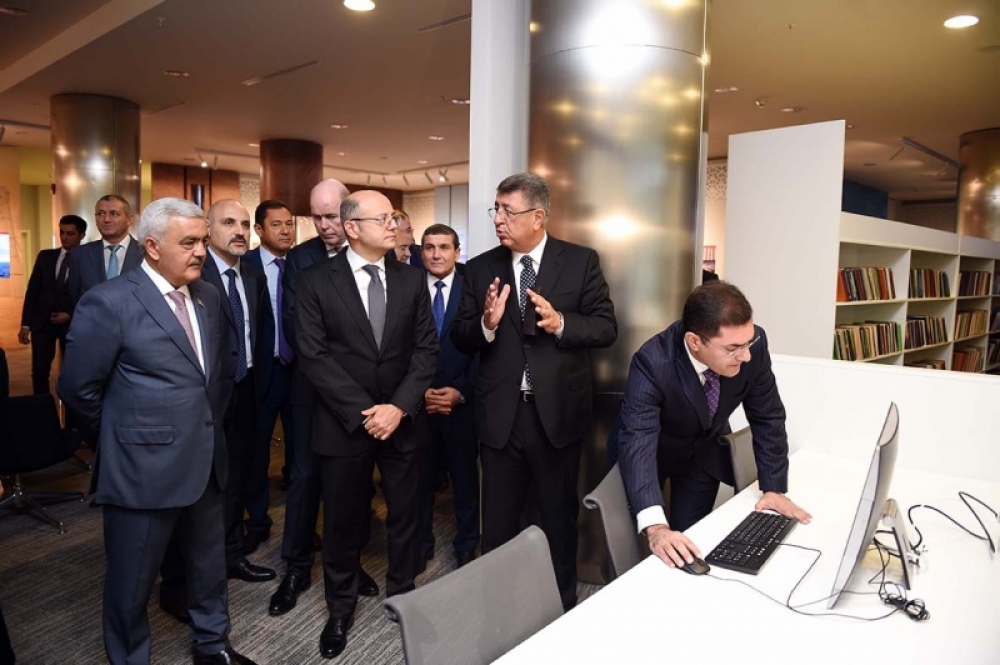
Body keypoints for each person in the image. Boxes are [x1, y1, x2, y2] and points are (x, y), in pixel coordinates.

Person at [58, 197, 257, 665]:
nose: (201, 252)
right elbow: (77, 390)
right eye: (188, 243)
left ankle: (213, 645)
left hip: (206, 461)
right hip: (140, 471)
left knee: (209, 568)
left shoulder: (208, 296)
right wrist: (125, 440)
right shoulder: (109, 301)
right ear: (151, 246)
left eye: (202, 241)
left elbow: (216, 374)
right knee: (132, 583)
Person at [451, 172, 617, 611]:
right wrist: (486, 324)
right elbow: (460, 335)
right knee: (498, 521)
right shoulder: (481, 267)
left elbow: (605, 327)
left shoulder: (580, 261)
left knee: (557, 517)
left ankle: (560, 604)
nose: (498, 219)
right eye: (496, 210)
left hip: (557, 415)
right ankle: (499, 611)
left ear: (538, 216)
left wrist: (561, 323)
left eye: (508, 211)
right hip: (500, 417)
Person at [295, 190, 437, 659]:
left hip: (402, 419)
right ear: (352, 227)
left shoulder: (412, 279)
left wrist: (397, 407)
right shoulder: (315, 281)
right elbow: (313, 356)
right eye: (383, 219)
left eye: (394, 218)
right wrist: (367, 412)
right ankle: (340, 608)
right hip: (344, 423)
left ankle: (403, 595)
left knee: (406, 514)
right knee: (342, 518)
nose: (393, 225)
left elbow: (425, 351)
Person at [617, 281, 811, 570]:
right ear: (695, 342)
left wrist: (774, 489)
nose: (745, 356)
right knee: (654, 547)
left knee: (692, 545)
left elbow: (768, 416)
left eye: (747, 343)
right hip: (652, 455)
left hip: (703, 454)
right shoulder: (653, 362)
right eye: (733, 349)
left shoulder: (753, 345)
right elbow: (639, 439)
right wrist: (656, 527)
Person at [275, 179, 379, 618]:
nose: (323, 225)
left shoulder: (376, 256)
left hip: (363, 394)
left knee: (355, 484)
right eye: (316, 217)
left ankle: (350, 565)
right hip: (311, 390)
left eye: (331, 215)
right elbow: (299, 328)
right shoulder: (301, 259)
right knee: (304, 478)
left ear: (350, 215)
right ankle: (296, 568)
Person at [201, 199, 275, 583]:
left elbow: (259, 336)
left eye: (245, 224)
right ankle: (202, 565)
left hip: (245, 390)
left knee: (238, 478)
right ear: (208, 228)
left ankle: (231, 555)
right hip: (208, 397)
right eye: (229, 223)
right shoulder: (195, 275)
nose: (240, 231)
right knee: (207, 484)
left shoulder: (252, 276)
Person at [418, 224, 479, 570]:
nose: (437, 254)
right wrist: (418, 392)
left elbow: (486, 347)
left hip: (461, 402)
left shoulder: (474, 287)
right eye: (429, 247)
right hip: (419, 403)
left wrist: (461, 391)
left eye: (444, 247)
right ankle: (421, 543)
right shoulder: (408, 286)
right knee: (419, 481)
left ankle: (467, 544)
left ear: (457, 252)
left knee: (465, 479)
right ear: (421, 252)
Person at [242, 199, 296, 554]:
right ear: (259, 230)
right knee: (256, 451)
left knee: (303, 453)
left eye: (289, 224)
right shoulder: (244, 265)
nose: (285, 230)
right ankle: (258, 521)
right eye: (276, 225)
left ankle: (302, 527)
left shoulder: (304, 263)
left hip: (301, 371)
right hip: (262, 371)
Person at [18, 215, 85, 394]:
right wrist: (26, 324)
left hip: (72, 324)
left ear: (81, 235)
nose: (64, 237)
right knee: (39, 371)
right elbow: (33, 290)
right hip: (42, 323)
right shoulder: (45, 256)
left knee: (73, 372)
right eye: (62, 232)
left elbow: (88, 293)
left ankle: (71, 409)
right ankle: (41, 407)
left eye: (70, 233)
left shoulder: (87, 260)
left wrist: (70, 314)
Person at [68, 194, 143, 300]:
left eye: (114, 214)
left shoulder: (145, 253)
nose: (106, 219)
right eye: (100, 214)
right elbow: (74, 298)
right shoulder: (80, 255)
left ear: (129, 220)